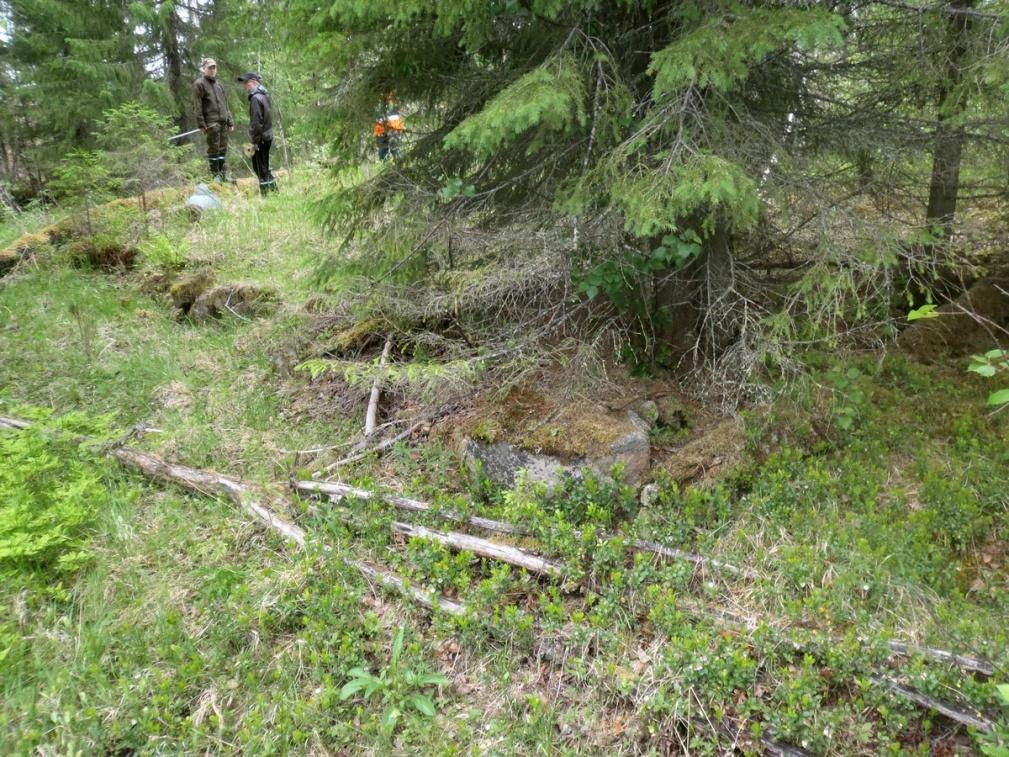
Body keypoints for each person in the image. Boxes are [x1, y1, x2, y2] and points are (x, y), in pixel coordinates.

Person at [192, 58, 234, 181]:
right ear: (203, 69)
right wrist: (201, 124)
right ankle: (216, 176)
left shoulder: (219, 85)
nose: (212, 70)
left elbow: (226, 105)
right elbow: (197, 106)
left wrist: (230, 121)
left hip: (223, 123)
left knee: (223, 149)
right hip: (211, 123)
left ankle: (223, 175)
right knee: (214, 149)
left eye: (214, 67)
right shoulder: (199, 84)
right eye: (210, 67)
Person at [237, 72, 277, 195]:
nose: (245, 86)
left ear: (254, 82)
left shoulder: (255, 98)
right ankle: (274, 191)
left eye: (247, 83)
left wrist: (254, 142)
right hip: (267, 136)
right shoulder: (264, 95)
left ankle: (267, 195)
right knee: (264, 165)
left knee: (260, 168)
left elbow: (256, 122)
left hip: (261, 138)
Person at [373, 92, 405, 161]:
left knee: (393, 150)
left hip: (392, 127)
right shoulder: (393, 92)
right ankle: (391, 166)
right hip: (386, 127)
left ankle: (397, 167)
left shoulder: (393, 91)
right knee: (386, 151)